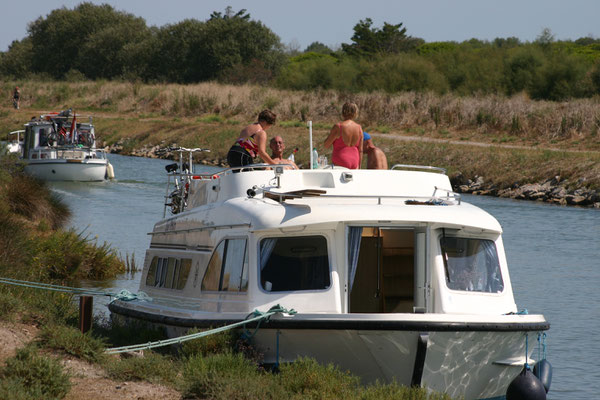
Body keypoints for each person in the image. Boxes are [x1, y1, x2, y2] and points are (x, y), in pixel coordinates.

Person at [323, 102, 363, 169]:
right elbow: (360, 150)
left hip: (341, 161)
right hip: (355, 161)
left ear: (343, 112)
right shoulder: (359, 128)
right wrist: (359, 167)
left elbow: (326, 145)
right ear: (355, 113)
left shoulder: (338, 127)